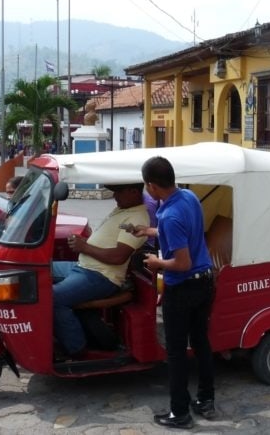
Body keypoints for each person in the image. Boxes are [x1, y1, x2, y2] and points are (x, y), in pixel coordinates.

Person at [135, 156, 215, 429]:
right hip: (205, 282)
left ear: (152, 186)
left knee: (177, 352)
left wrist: (157, 263)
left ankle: (179, 412)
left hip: (183, 287)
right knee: (201, 342)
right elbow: (182, 230)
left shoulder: (169, 215)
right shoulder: (188, 197)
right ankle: (206, 400)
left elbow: (182, 263)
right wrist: (148, 230)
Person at [51, 183, 150, 359]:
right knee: (39, 270)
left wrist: (85, 247)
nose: (115, 196)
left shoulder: (136, 219)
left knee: (53, 299)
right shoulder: (123, 210)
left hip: (100, 276)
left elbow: (118, 257)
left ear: (134, 192)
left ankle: (75, 349)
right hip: (83, 267)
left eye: (119, 191)